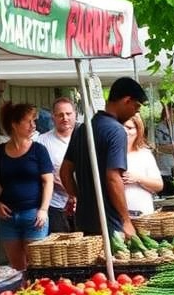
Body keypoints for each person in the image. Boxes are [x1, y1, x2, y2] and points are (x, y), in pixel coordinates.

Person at [61, 77, 147, 240]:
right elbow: (113, 178)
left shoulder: (82, 129)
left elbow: (65, 172)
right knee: (114, 265)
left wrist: (81, 198)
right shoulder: (116, 131)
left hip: (84, 221)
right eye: (136, 106)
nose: (136, 112)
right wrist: (126, 220)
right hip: (110, 223)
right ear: (127, 100)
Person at [0, 102, 54, 270]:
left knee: (36, 265)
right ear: (15, 124)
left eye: (33, 121)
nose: (33, 125)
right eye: (28, 121)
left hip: (34, 215)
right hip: (6, 217)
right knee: (17, 267)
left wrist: (43, 210)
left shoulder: (38, 150)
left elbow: (48, 181)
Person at [36, 96, 77, 232]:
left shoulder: (85, 139)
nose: (65, 118)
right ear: (53, 117)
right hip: (55, 205)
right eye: (60, 115)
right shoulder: (42, 142)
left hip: (82, 204)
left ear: (75, 114)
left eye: (68, 114)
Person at [122, 113, 163, 216]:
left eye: (130, 128)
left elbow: (159, 185)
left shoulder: (144, 154)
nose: (125, 131)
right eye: (121, 126)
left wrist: (138, 178)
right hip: (118, 216)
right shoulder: (109, 154)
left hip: (144, 213)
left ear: (138, 131)